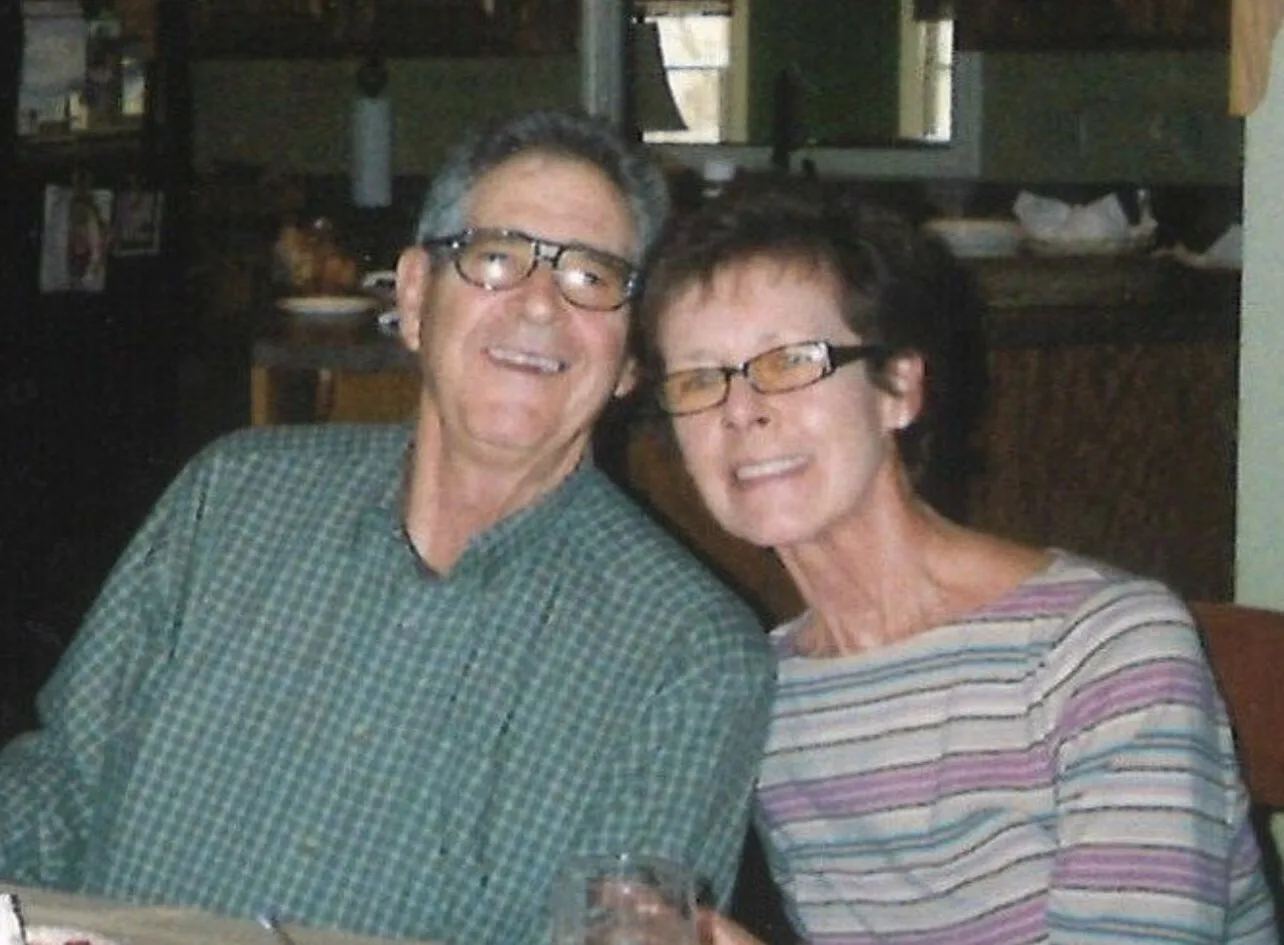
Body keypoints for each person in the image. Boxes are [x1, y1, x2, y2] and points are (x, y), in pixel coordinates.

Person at [0, 109, 775, 945]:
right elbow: (59, 788)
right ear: (413, 296)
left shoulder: (687, 657)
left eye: (591, 276)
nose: (539, 305)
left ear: (630, 359)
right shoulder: (230, 499)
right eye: (496, 256)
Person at [637, 181, 1278, 944]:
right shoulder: (769, 690)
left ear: (898, 389)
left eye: (790, 361)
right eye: (699, 380)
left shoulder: (1100, 647)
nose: (741, 409)